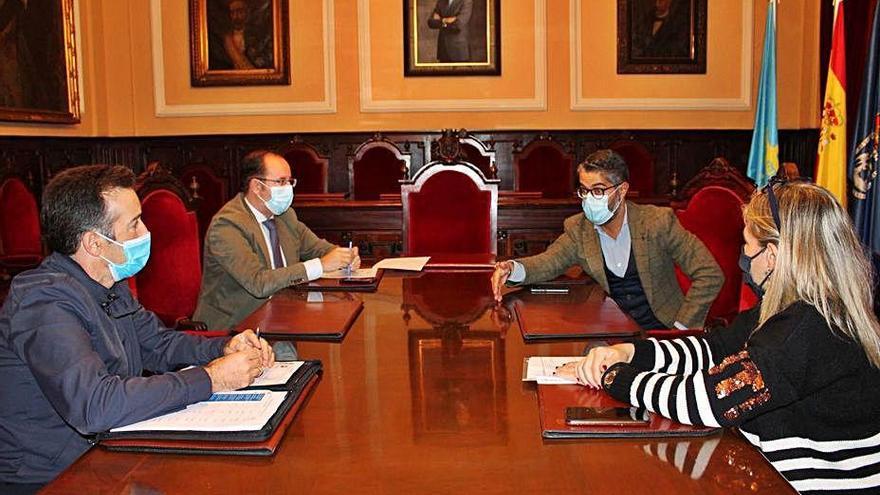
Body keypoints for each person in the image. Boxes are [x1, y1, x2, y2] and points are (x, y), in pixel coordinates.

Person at [558, 181, 880, 493]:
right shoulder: (795, 307)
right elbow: (715, 347)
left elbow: (709, 401)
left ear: (772, 255)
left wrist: (614, 377)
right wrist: (629, 353)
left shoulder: (806, 328)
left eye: (746, 244)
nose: (742, 254)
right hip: (771, 471)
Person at [0, 165, 273, 493]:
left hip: (108, 451)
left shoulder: (106, 282)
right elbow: (96, 406)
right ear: (94, 243)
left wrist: (223, 348)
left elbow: (159, 344)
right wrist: (212, 377)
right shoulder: (43, 302)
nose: (145, 231)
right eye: (134, 224)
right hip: (55, 477)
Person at [491, 149, 723, 330]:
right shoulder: (579, 229)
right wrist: (512, 269)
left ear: (621, 191)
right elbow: (547, 262)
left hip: (663, 331)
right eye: (584, 190)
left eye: (599, 190)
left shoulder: (657, 222)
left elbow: (709, 273)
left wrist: (682, 326)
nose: (590, 198)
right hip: (610, 334)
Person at [194, 150, 359, 330]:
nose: (288, 188)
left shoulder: (284, 215)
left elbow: (320, 249)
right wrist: (320, 265)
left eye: (290, 181)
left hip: (283, 319)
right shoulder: (227, 225)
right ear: (257, 187)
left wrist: (344, 256)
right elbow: (259, 283)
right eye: (281, 182)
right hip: (235, 330)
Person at [212, 0, 273, 70]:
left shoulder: (257, 36)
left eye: (239, 11)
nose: (236, 16)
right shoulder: (225, 39)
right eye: (232, 12)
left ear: (247, 12)